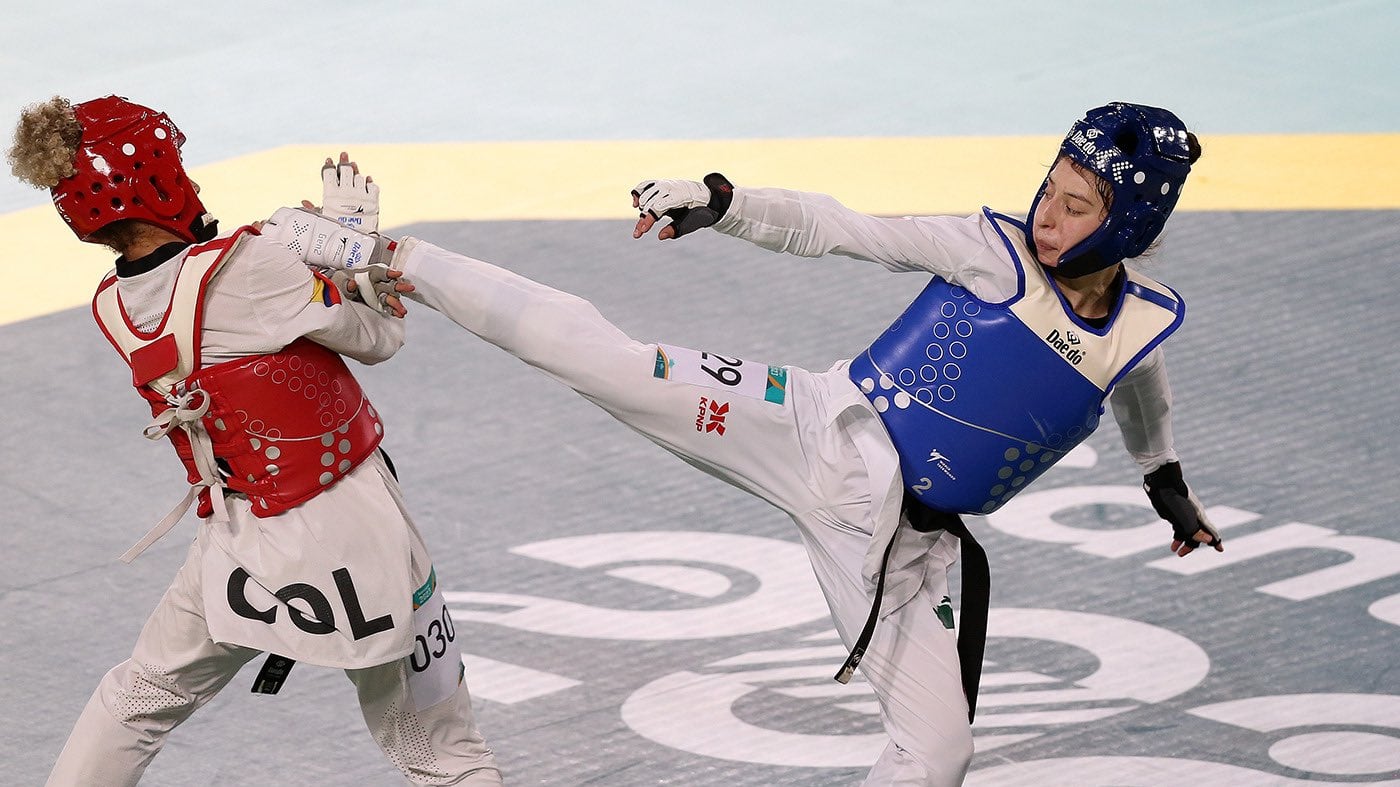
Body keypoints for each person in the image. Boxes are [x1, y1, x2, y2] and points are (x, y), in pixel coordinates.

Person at [266, 101, 1223, 786]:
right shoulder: (992, 249)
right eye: (1049, 191)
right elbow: (842, 227)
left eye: (1076, 207)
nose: (1047, 216)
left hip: (905, 549)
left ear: (1131, 222)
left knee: (939, 757)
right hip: (818, 433)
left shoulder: (1148, 319)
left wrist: (1164, 480)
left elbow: (1141, 388)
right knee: (613, 361)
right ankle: (384, 256)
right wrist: (722, 201)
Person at [7, 96, 501, 786]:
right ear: (151, 178)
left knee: (137, 698)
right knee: (442, 752)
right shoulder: (249, 264)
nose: (193, 182)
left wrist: (315, 267)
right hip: (355, 530)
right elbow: (379, 337)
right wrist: (348, 243)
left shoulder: (113, 306)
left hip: (241, 538)